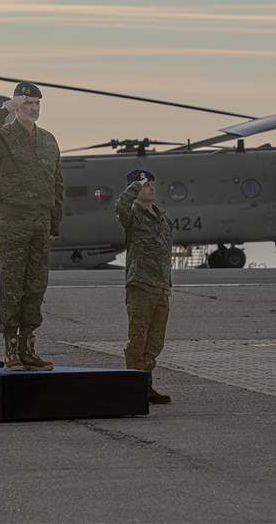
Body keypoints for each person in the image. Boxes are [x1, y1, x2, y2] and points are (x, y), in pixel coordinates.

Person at [0, 82, 63, 371]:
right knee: (12, 285)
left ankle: (28, 348)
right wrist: (4, 110)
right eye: (27, 103)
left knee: (36, 285)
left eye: (37, 103)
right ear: (17, 105)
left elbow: (57, 182)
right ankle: (11, 348)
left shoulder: (49, 140)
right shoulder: (3, 136)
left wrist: (55, 219)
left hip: (40, 221)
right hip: (13, 218)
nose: (34, 108)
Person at [115, 169, 173, 404]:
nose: (151, 187)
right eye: (146, 185)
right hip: (140, 285)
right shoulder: (132, 215)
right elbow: (120, 207)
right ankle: (132, 386)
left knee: (155, 341)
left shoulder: (163, 218)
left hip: (160, 288)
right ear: (135, 189)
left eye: (151, 184)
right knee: (137, 339)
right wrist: (134, 186)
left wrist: (167, 283)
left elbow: (165, 254)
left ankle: (146, 385)